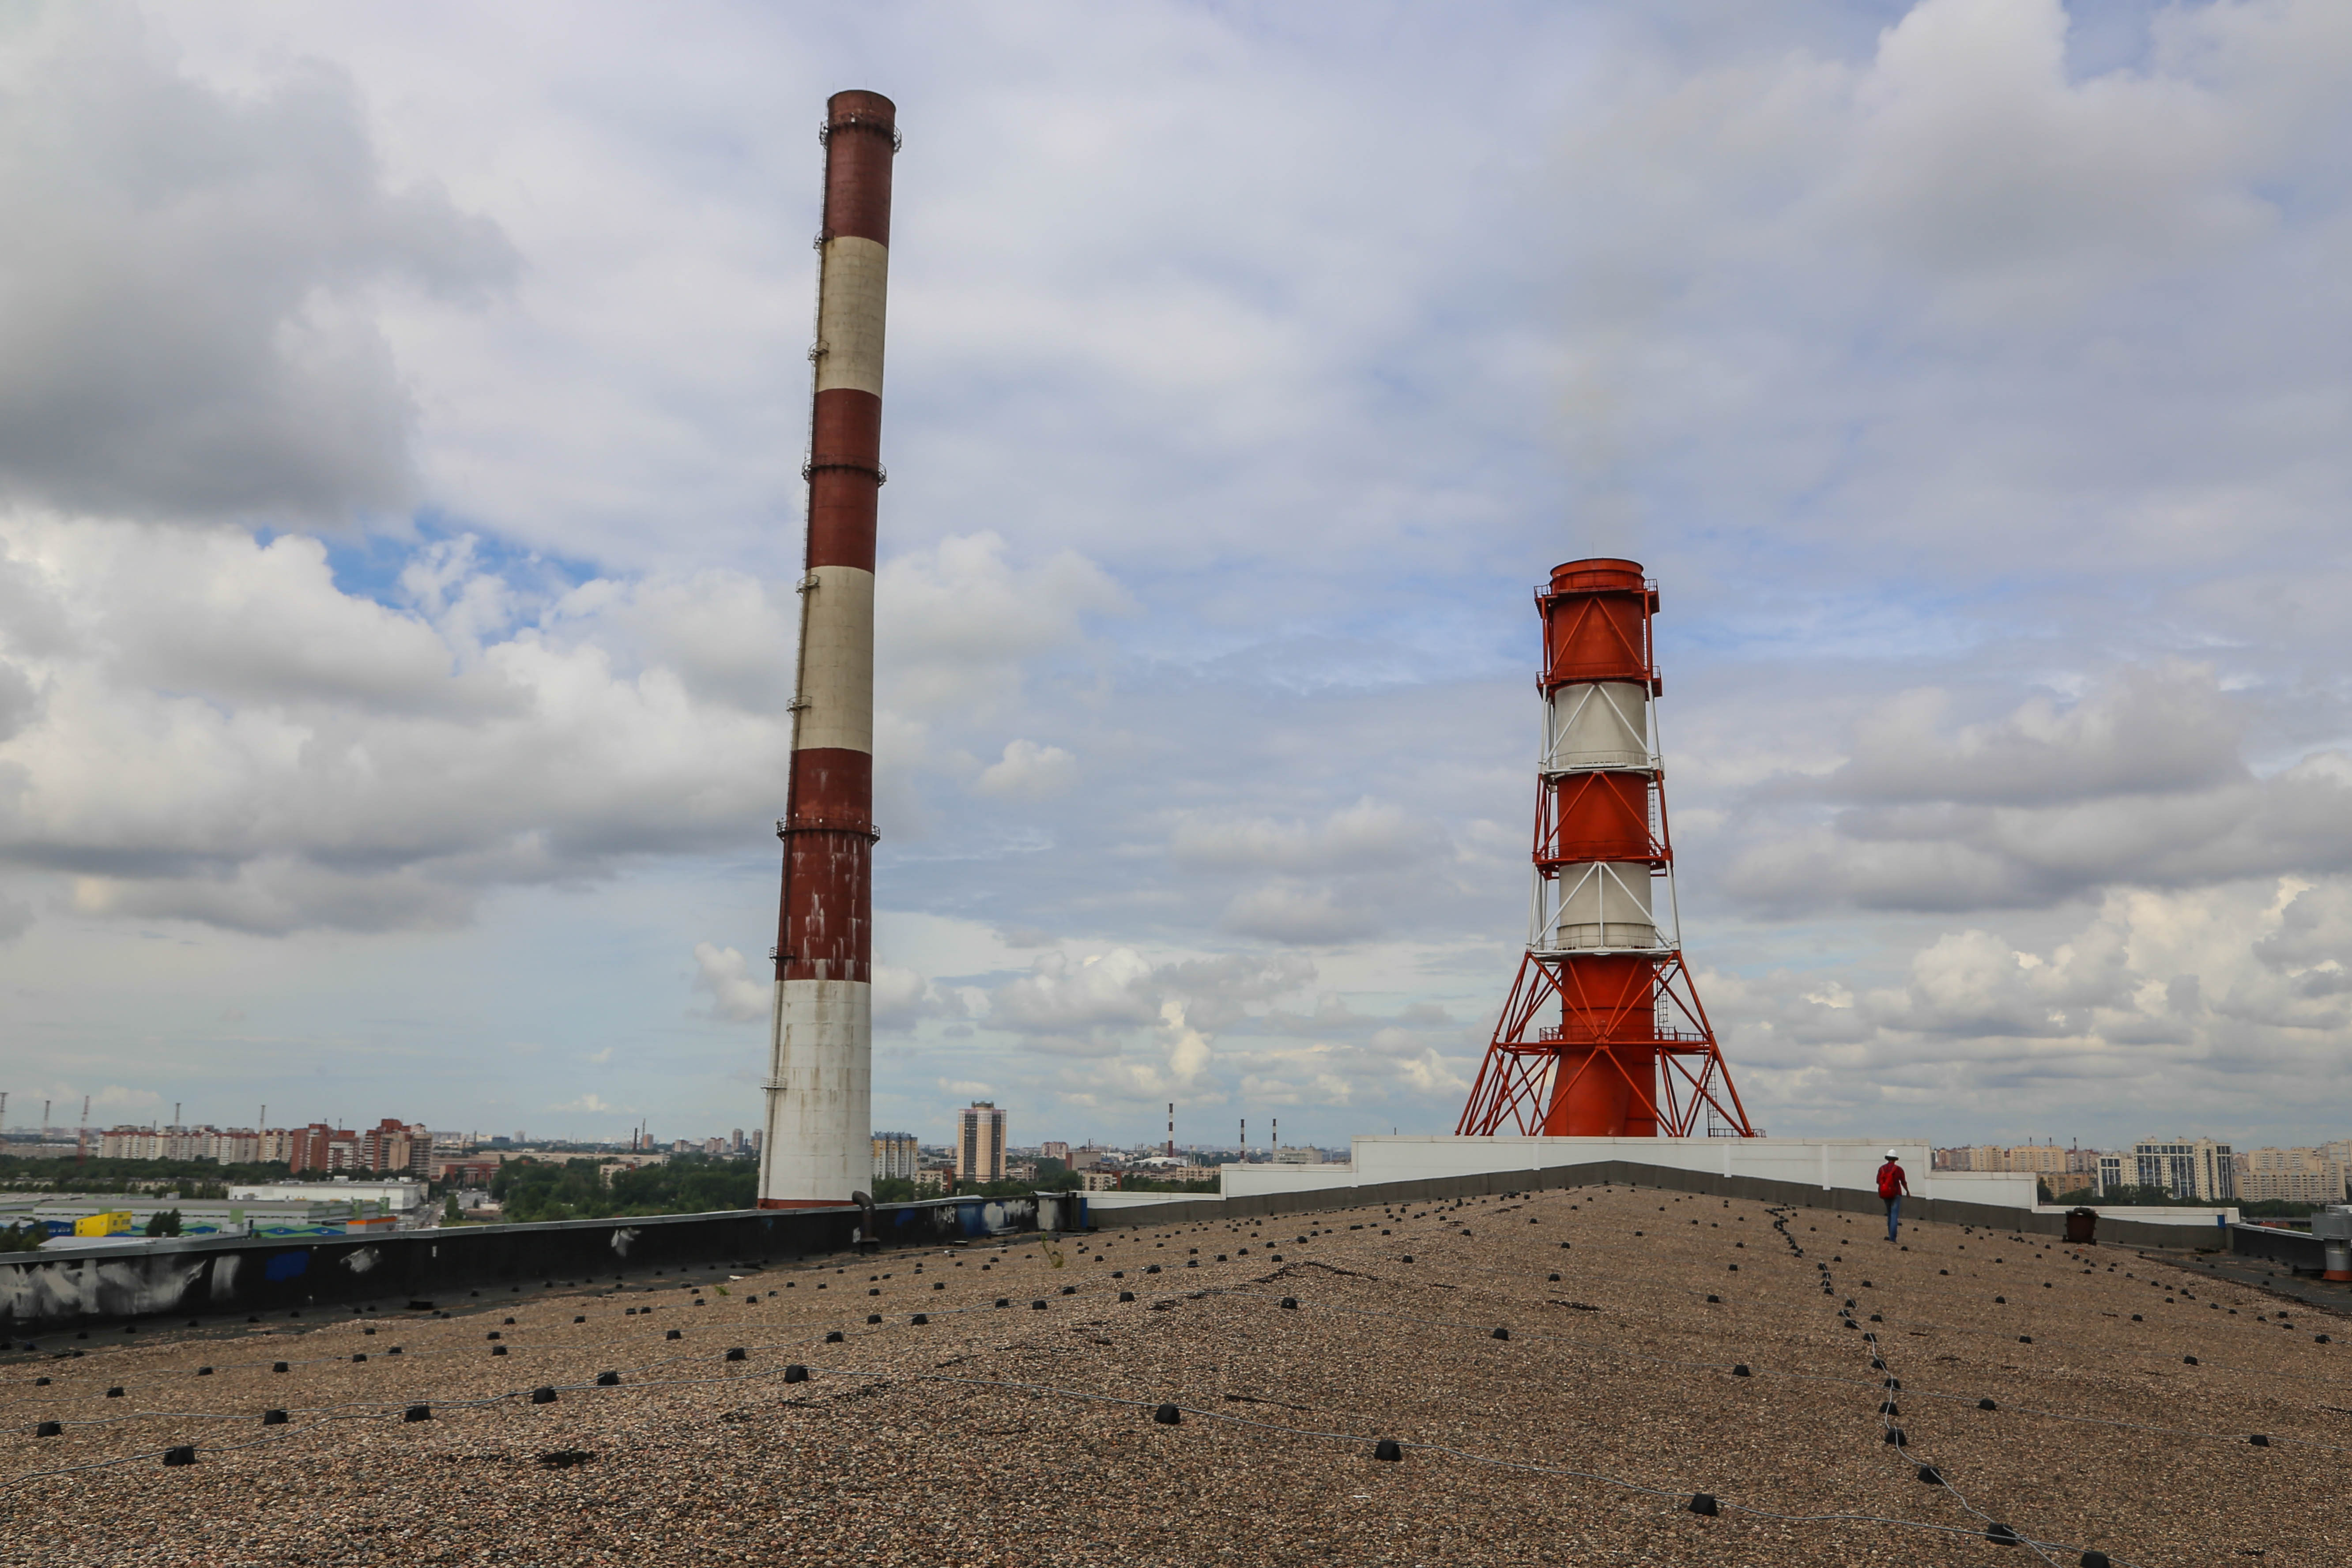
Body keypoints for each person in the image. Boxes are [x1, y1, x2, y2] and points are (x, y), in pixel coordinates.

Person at [1877, 1150, 1909, 1242]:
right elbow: (1903, 1182)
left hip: (1885, 1194)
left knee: (1889, 1215)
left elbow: (1879, 1182)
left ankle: (1890, 1234)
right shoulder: (1898, 1169)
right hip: (1896, 1194)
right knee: (1894, 1215)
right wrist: (1907, 1191)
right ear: (1895, 1159)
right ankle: (1893, 1238)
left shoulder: (1882, 1169)